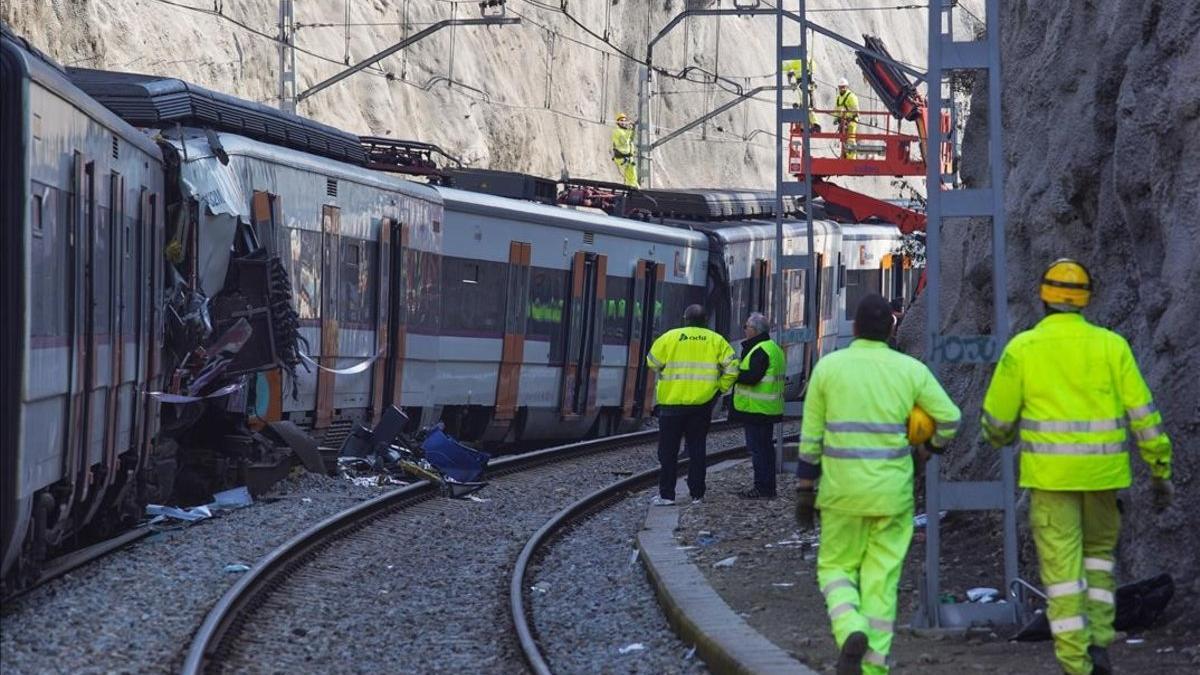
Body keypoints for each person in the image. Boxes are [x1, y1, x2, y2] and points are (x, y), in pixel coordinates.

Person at [980, 258, 1174, 675]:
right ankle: (1101, 642)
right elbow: (1144, 415)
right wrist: (1160, 470)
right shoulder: (1112, 346)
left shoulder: (1023, 349)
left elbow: (996, 423)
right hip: (1103, 481)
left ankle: (1077, 662)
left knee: (1064, 576)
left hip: (1051, 485)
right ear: (1087, 299)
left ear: (1043, 298)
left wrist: (1001, 438)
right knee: (1099, 563)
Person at [796, 293, 961, 674]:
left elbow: (811, 438)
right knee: (881, 584)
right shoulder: (909, 370)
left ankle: (850, 627)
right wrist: (926, 452)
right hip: (892, 496)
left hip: (840, 494)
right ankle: (873, 669)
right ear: (892, 328)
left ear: (854, 328)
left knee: (835, 568)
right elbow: (950, 418)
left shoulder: (829, 368)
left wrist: (805, 492)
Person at [646, 304, 739, 506]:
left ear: (685, 319)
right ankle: (697, 494)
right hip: (701, 405)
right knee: (697, 449)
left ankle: (666, 495)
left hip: (671, 406)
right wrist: (719, 388)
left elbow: (652, 362)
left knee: (668, 452)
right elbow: (733, 367)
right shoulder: (716, 340)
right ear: (705, 320)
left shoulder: (670, 337)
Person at [728, 312, 787, 499]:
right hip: (768, 408)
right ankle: (767, 488)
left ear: (754, 330)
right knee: (765, 450)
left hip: (757, 409)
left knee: (759, 450)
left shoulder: (760, 350)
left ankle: (762, 488)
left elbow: (752, 377)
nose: (745, 330)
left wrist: (733, 373)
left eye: (746, 327)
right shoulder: (773, 348)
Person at [782, 58, 821, 130]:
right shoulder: (809, 61)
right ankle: (810, 125)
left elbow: (786, 67)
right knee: (806, 107)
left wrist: (789, 74)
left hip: (804, 84)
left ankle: (808, 126)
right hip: (806, 84)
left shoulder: (800, 61)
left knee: (805, 107)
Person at [833, 77, 860, 159]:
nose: (842, 89)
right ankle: (844, 155)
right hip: (843, 121)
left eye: (843, 87)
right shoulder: (838, 98)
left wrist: (846, 115)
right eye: (840, 87)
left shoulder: (851, 96)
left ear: (847, 87)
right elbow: (837, 109)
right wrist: (836, 118)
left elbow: (855, 110)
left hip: (851, 121)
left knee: (850, 138)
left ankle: (851, 159)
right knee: (843, 139)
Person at [611, 113, 638, 188]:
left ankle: (635, 187)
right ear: (618, 122)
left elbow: (631, 138)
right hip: (622, 158)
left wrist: (633, 129)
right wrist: (630, 129)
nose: (623, 122)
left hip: (629, 158)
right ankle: (630, 190)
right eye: (621, 121)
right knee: (628, 177)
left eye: (624, 120)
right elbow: (624, 140)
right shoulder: (618, 131)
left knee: (633, 175)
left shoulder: (625, 131)